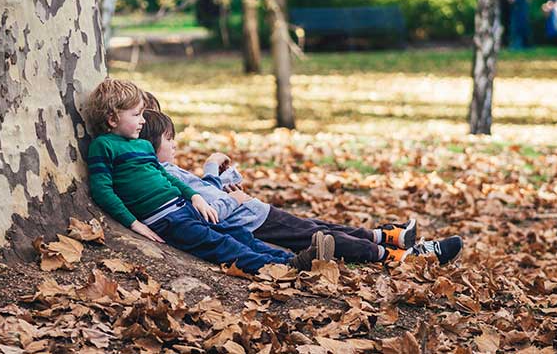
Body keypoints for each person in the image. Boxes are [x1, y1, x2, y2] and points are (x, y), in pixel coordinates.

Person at [139, 109, 464, 266]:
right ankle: (405, 257)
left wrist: (224, 183)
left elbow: (207, 197)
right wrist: (217, 177)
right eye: (170, 140)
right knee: (324, 238)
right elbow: (209, 206)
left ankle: (389, 236)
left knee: (319, 226)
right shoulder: (162, 174)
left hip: (253, 213)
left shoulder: (162, 171)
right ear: (151, 144)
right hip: (251, 221)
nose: (175, 145)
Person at [84, 78, 335, 274]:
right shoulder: (104, 146)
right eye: (136, 115)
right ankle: (279, 269)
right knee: (220, 244)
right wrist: (133, 223)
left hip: (185, 207)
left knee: (237, 234)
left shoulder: (142, 146)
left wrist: (195, 197)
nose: (142, 121)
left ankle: (293, 260)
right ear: (112, 117)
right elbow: (103, 191)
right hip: (166, 219)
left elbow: (168, 178)